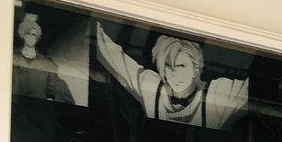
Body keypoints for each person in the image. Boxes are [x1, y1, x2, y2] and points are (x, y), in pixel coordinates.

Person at [95, 22, 248, 129]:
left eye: (182, 66)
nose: (174, 74)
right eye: (168, 66)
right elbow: (111, 55)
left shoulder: (216, 94)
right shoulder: (152, 89)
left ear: (196, 68)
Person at [13, 13, 75, 104]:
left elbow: (57, 90)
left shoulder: (46, 64)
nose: (30, 37)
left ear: (37, 38)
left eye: (34, 35)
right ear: (23, 35)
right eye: (28, 34)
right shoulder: (12, 57)